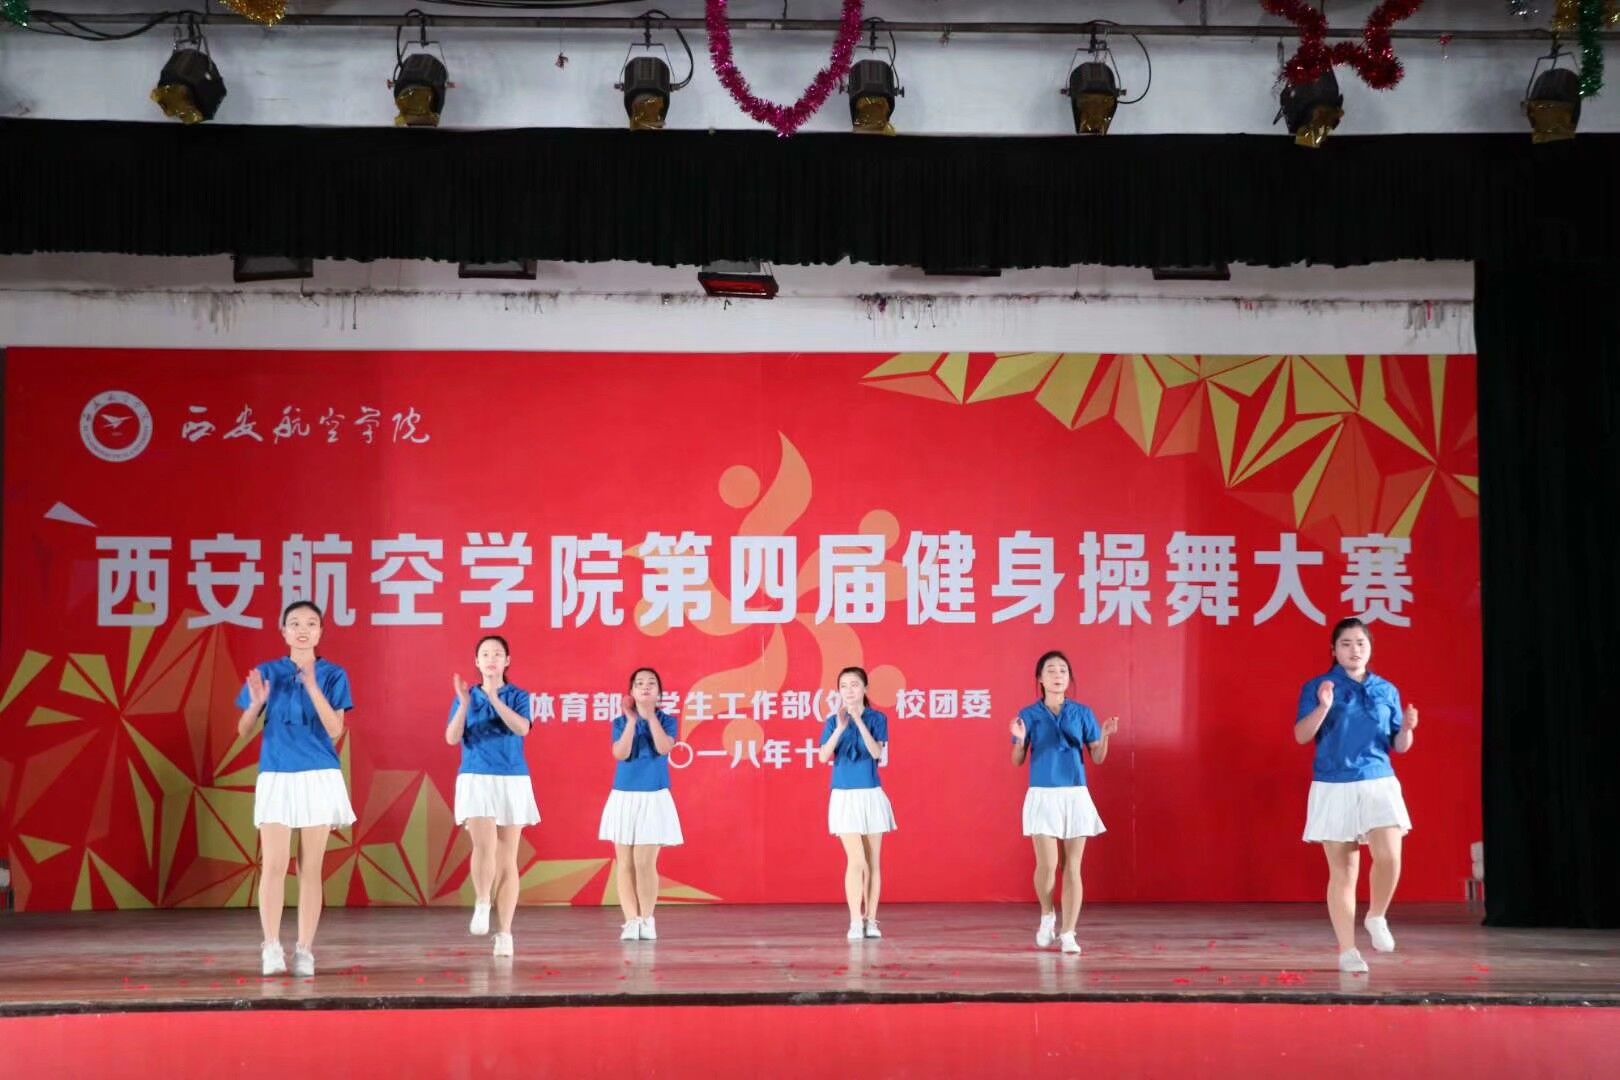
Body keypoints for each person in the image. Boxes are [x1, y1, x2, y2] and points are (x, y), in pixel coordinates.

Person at [235, 600, 356, 977]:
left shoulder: (334, 675)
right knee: (273, 865)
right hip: (277, 773)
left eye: (311, 623)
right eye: (295, 623)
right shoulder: (268, 673)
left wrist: (313, 686)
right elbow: (243, 730)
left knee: (310, 867)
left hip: (318, 775)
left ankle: (304, 949)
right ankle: (271, 946)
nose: (303, 629)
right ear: (283, 631)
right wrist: (256, 704)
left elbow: (335, 730)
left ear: (320, 632)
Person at [1295, 617, 1419, 973]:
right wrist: (1323, 707)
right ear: (1334, 650)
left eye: (1361, 643)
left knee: (1390, 856)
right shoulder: (1319, 687)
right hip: (1334, 784)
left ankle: (1376, 915)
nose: (1354, 650)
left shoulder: (1386, 689)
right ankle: (1348, 950)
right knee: (1344, 871)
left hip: (1378, 780)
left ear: (1370, 649)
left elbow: (1399, 745)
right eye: (1346, 644)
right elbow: (1302, 736)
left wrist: (1408, 729)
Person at [1009, 650, 1117, 955]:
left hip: (1075, 794)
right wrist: (1019, 739)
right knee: (1048, 864)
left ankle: (1069, 932)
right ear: (1040, 678)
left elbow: (1097, 756)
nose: (1058, 675)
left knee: (1072, 867)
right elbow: (1017, 760)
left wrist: (1105, 735)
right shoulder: (1028, 714)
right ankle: (1047, 915)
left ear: (1069, 678)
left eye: (1063, 670)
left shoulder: (1082, 713)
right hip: (1043, 794)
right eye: (1051, 670)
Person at [446, 634, 539, 958]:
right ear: (477, 661)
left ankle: (505, 933)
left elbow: (522, 728)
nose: (491, 659)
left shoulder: (518, 696)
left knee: (507, 858)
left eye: (497, 654)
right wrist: (464, 704)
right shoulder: (466, 696)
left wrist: (495, 699)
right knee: (484, 845)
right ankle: (483, 900)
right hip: (476, 776)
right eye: (485, 654)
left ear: (507, 661)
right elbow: (452, 737)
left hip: (512, 778)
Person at [598, 667, 683, 941]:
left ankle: (647, 919)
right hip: (624, 796)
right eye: (639, 683)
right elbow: (620, 753)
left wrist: (650, 717)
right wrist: (632, 721)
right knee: (624, 863)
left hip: (654, 796)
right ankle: (631, 920)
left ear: (659, 692)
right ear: (631, 692)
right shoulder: (621, 722)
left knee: (644, 862)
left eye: (651, 683)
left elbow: (664, 747)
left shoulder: (668, 721)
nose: (645, 687)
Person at [818, 666, 896, 939]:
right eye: (843, 686)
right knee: (857, 859)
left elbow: (876, 752)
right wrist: (841, 728)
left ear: (865, 688)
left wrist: (859, 722)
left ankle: (871, 920)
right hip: (844, 796)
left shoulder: (878, 718)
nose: (849, 690)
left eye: (854, 685)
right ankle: (854, 920)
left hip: (870, 794)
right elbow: (823, 756)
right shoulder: (833, 721)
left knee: (873, 862)